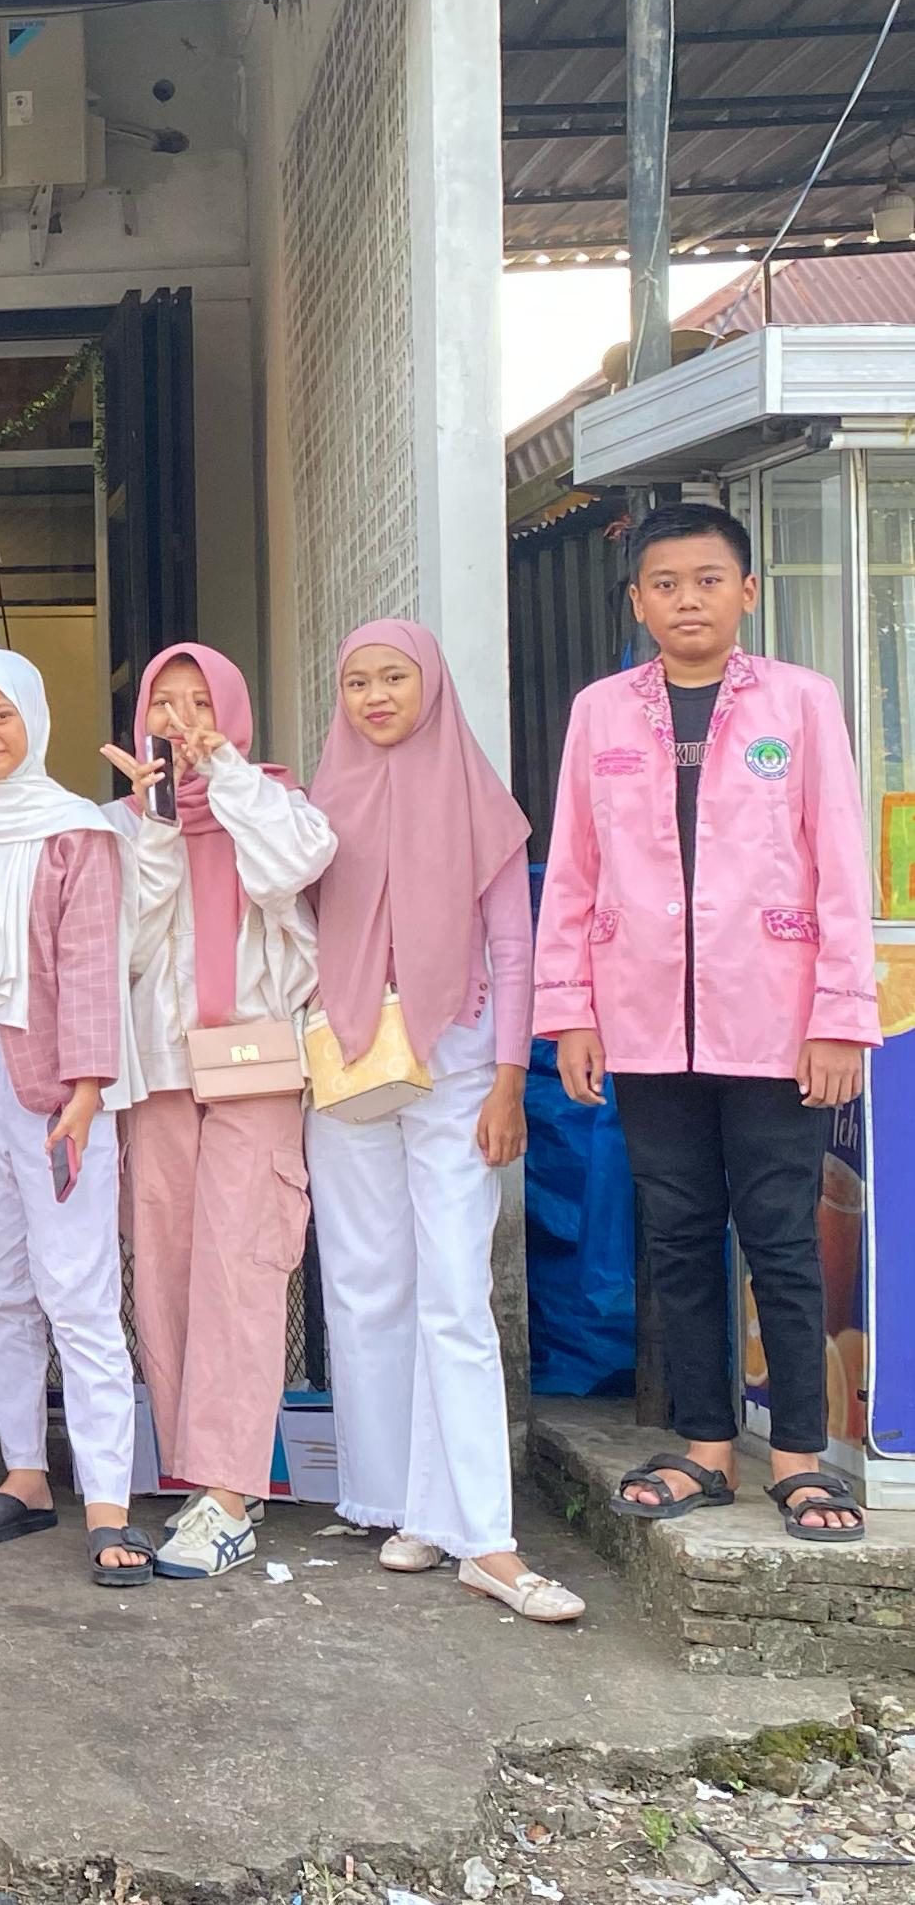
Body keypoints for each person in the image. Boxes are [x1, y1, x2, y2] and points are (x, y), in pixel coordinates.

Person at [541, 502, 879, 1545]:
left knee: (781, 1237)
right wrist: (571, 1014)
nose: (687, 600)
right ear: (638, 600)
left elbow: (842, 866)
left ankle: (802, 1460)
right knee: (679, 1238)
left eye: (707, 580)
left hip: (776, 1022)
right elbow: (574, 868)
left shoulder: (801, 702)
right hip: (644, 1023)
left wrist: (840, 1018)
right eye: (665, 584)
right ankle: (703, 1449)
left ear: (746, 591)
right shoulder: (602, 712)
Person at [306, 620, 579, 1621]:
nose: (375, 696)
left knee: (455, 1290)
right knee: (367, 1282)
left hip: (457, 1060)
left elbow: (516, 945)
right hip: (343, 1063)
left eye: (394, 677)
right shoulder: (322, 801)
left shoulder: (476, 799)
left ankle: (486, 1536)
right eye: (357, 681)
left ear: (431, 684)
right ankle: (399, 1501)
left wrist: (512, 1080)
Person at [101, 642, 336, 1581]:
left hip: (256, 1063)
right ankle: (193, 1472)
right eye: (167, 703)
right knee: (164, 1265)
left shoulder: (274, 801)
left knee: (244, 1262)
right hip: (158, 1070)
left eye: (202, 702)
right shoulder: (119, 824)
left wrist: (222, 773)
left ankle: (231, 1492)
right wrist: (159, 820)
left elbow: (290, 867)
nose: (184, 720)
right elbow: (126, 942)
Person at [0, 652, 145, 1584]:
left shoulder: (76, 830)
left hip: (60, 1093)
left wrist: (89, 1089)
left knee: (79, 1291)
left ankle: (108, 1499)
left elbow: (92, 964)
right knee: (2, 1285)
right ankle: (25, 1474)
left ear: (35, 720)